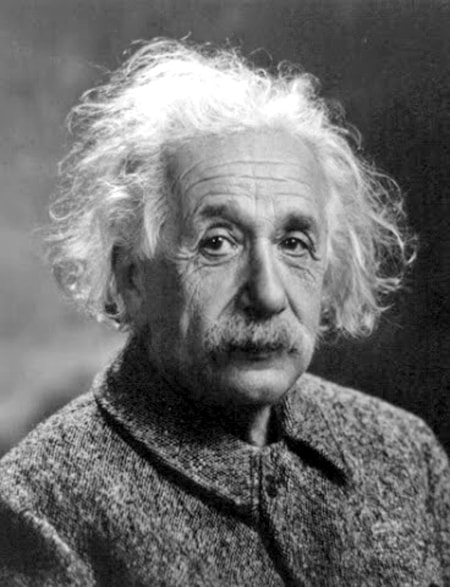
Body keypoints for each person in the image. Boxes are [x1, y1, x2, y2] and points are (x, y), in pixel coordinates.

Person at [0, 38, 448, 586]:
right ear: (131, 277)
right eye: (217, 243)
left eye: (294, 243)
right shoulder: (37, 509)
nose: (268, 295)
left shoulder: (407, 453)